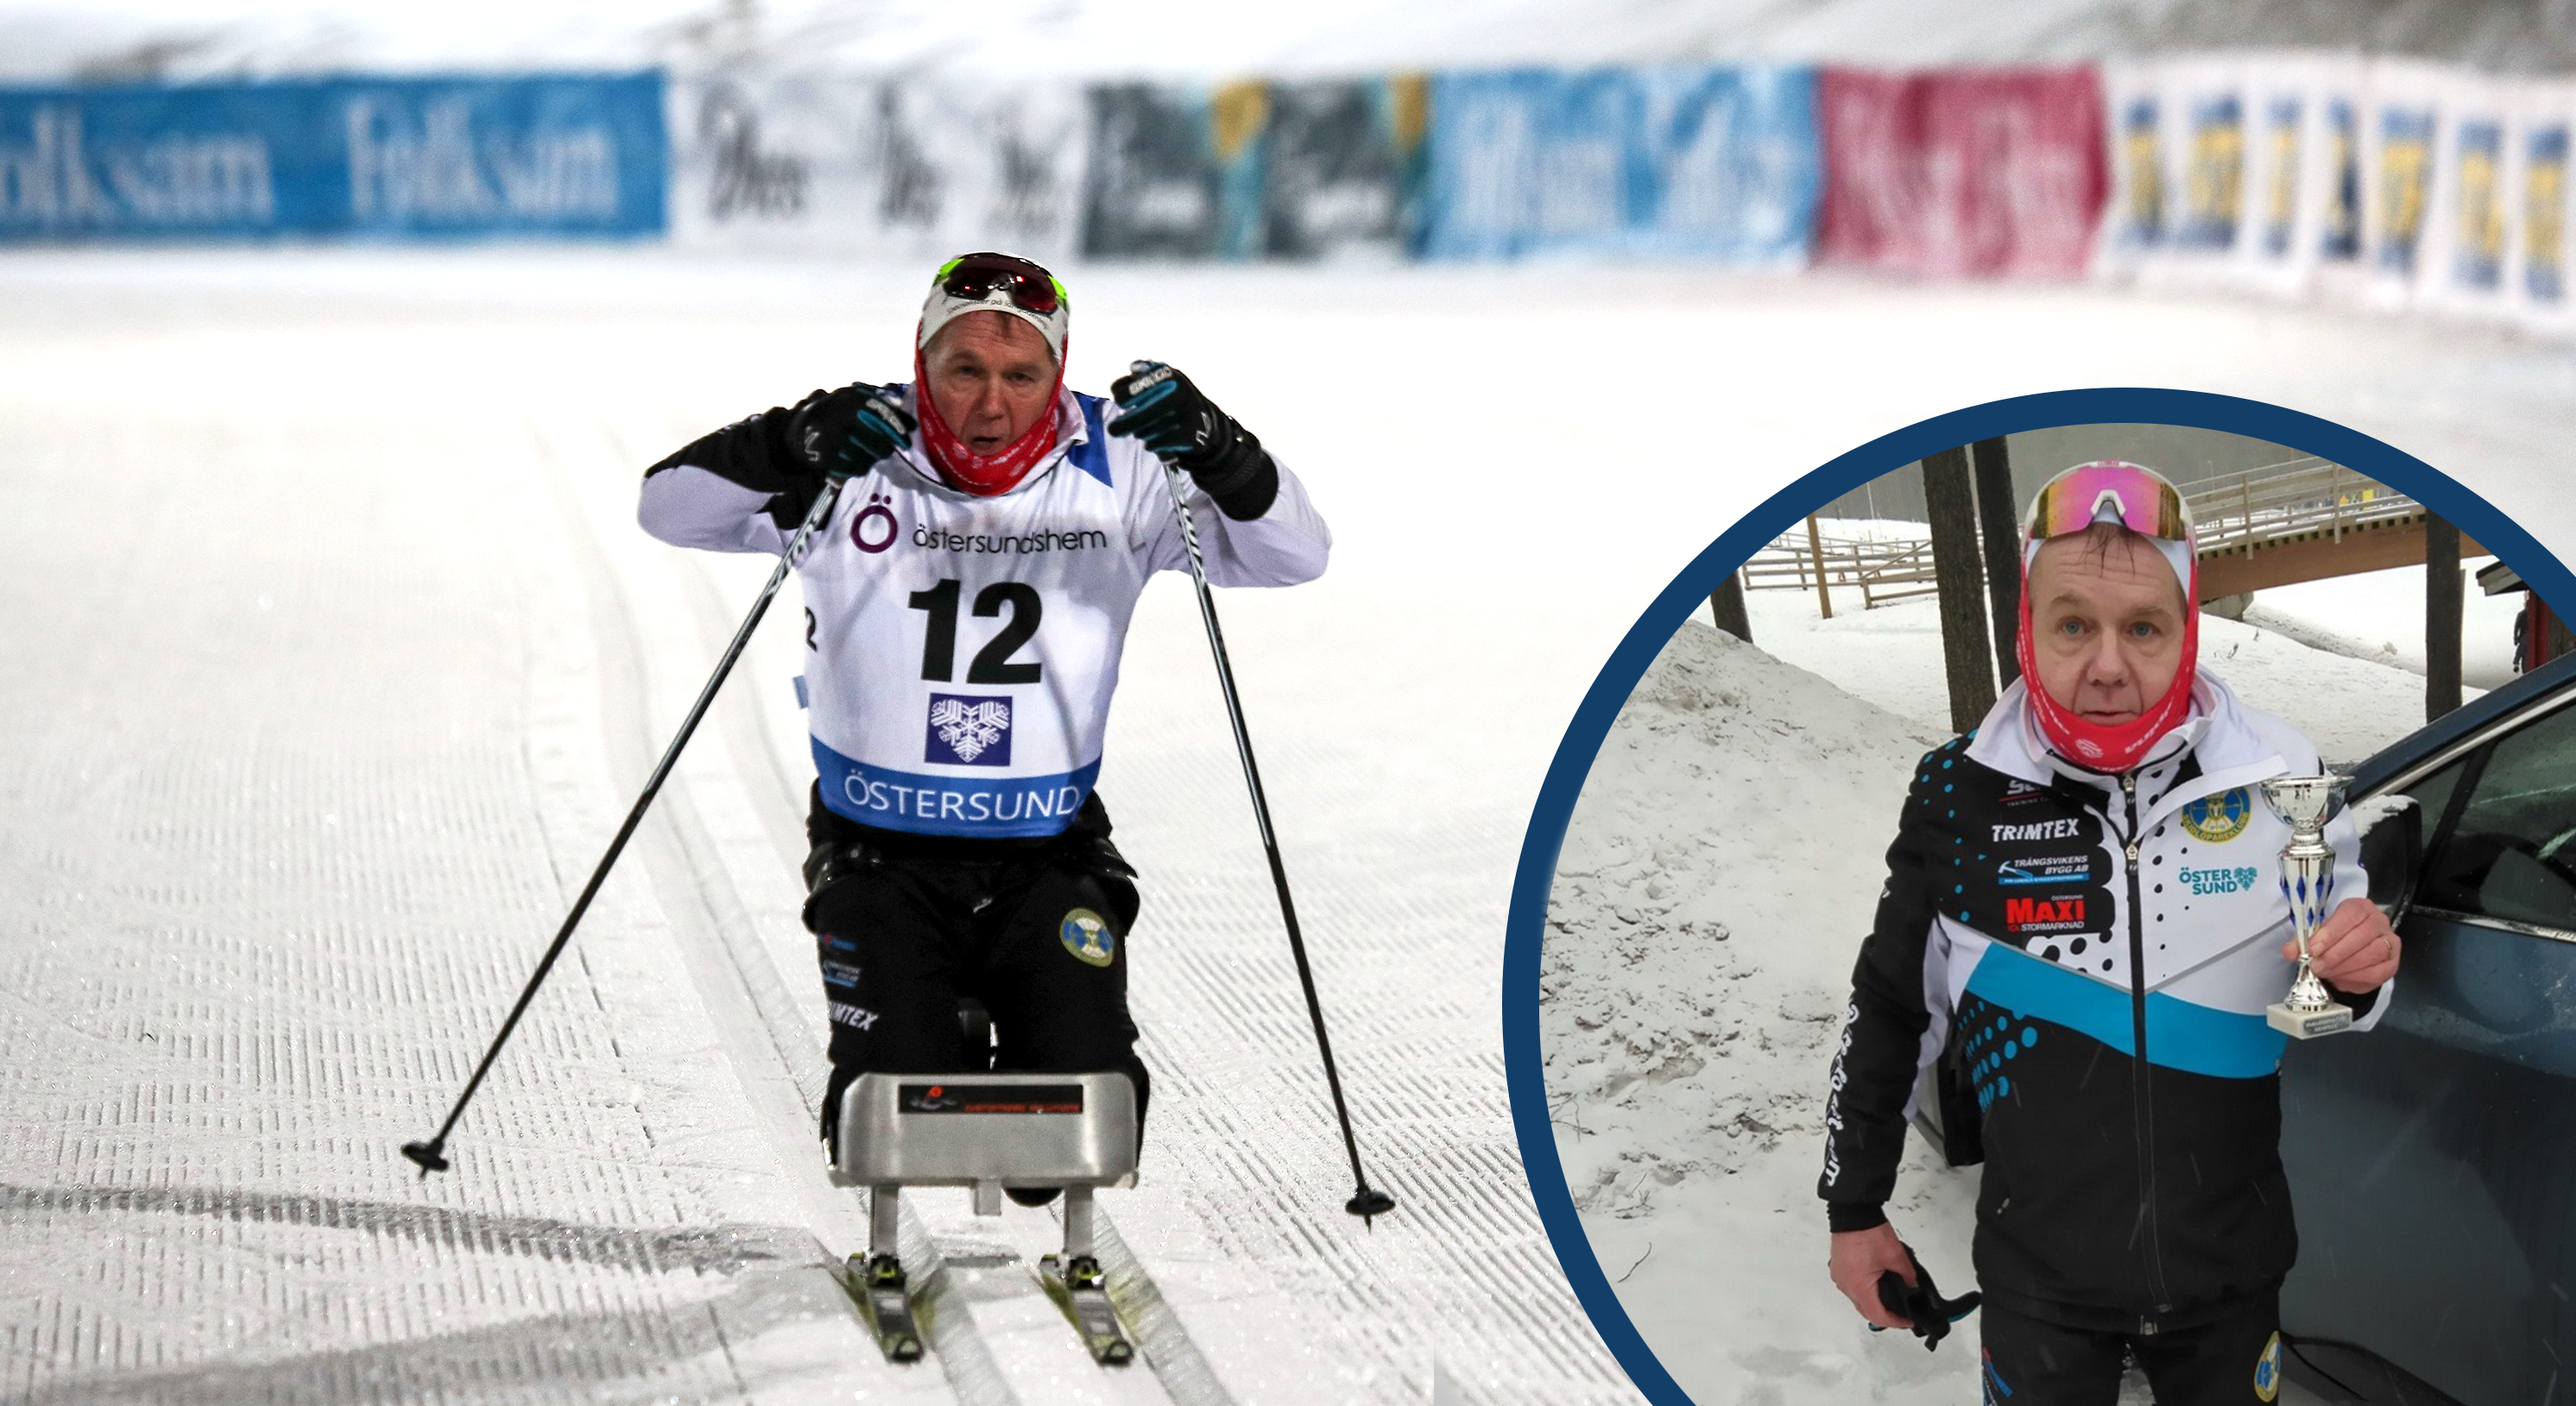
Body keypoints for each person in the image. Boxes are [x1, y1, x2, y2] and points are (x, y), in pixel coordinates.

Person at [635, 252, 1330, 1188]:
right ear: (922, 363)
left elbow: (1294, 555)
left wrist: (1218, 445)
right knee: (896, 1125)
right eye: (964, 371)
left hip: (1046, 855)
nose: (991, 405)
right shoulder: (855, 450)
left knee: (1080, 1127)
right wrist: (787, 439)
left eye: (1020, 374)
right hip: (878, 853)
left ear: (1059, 369)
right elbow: (665, 508)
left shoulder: (1121, 462)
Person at [1819, 461, 2402, 1403]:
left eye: (2141, 628)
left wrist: (2353, 977)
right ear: (2026, 626)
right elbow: (1890, 1011)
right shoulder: (1957, 792)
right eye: (2071, 624)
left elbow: (2334, 980)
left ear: (2187, 630)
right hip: (2038, 1286)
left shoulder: (2279, 771)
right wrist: (1855, 1209)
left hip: (2228, 1275)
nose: (2105, 665)